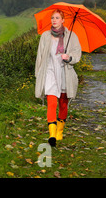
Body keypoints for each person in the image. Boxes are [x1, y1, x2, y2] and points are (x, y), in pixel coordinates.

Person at [35, 9, 82, 147]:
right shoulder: (45, 36)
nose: (54, 20)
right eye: (52, 18)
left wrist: (69, 57)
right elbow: (40, 56)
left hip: (64, 72)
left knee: (63, 103)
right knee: (51, 102)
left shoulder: (71, 36)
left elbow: (77, 55)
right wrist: (38, 74)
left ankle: (59, 131)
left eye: (57, 18)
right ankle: (52, 135)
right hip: (49, 71)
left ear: (63, 20)